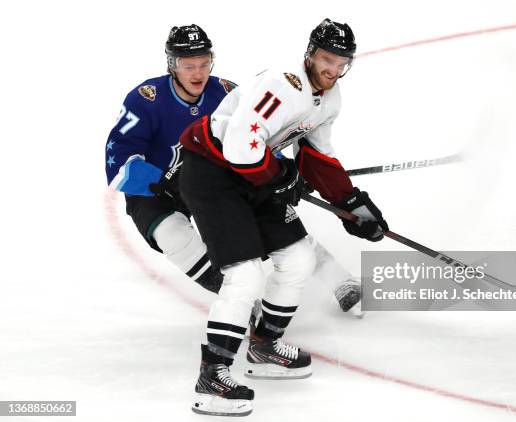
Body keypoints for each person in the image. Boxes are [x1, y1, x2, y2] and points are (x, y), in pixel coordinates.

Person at [179, 19, 388, 417]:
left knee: (298, 259)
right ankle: (212, 377)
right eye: (327, 59)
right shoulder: (285, 85)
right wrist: (280, 178)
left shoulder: (330, 98)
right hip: (212, 172)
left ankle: (264, 346)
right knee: (243, 275)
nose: (333, 69)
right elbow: (241, 145)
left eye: (342, 62)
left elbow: (316, 157)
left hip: (255, 174)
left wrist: (352, 203)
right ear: (310, 54)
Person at [104, 24, 235, 293]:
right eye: (189, 66)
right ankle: (239, 302)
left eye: (204, 63)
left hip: (211, 185)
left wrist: (277, 165)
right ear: (172, 65)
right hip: (156, 193)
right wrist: (159, 180)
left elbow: (259, 134)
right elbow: (117, 156)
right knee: (174, 238)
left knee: (270, 221)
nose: (198, 73)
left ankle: (337, 279)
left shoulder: (226, 93)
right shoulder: (146, 99)